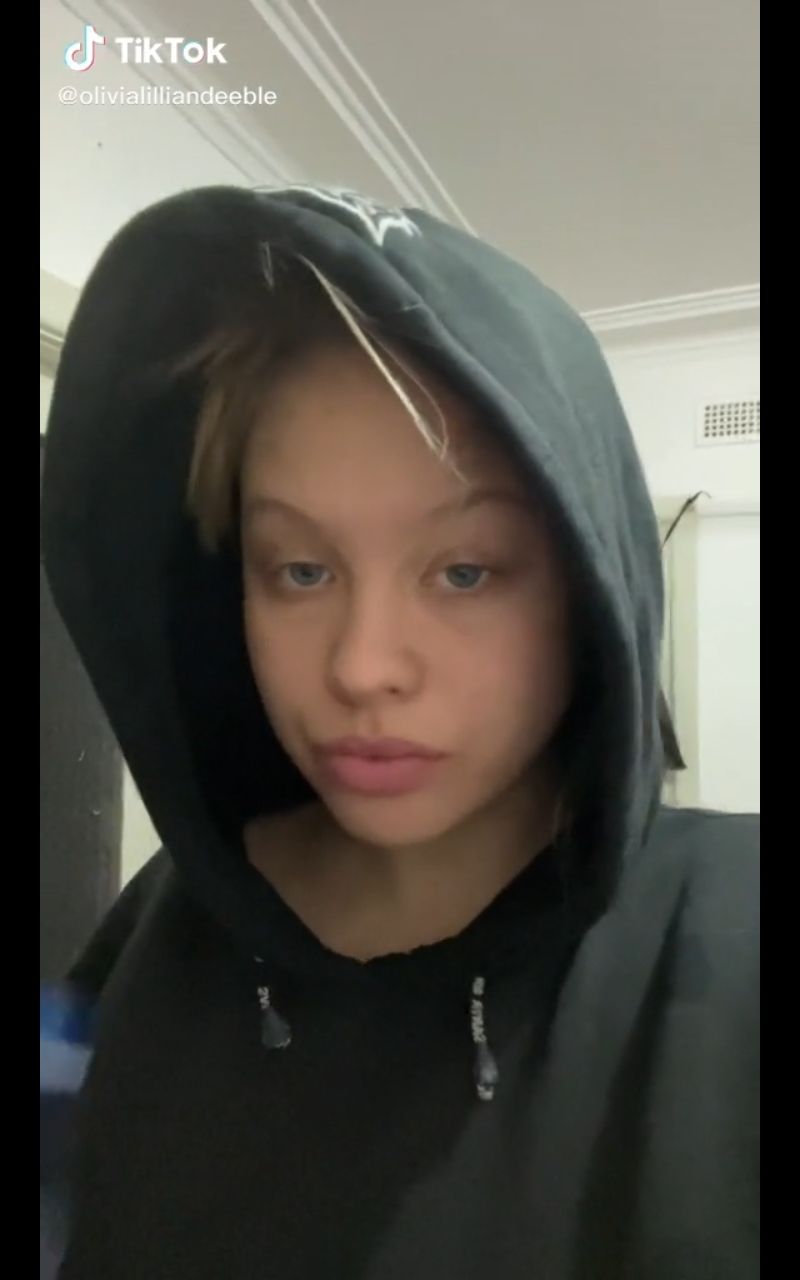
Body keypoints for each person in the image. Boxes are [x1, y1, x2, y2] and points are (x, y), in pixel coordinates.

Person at [41, 183, 759, 1279]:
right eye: (300, 569)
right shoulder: (165, 917)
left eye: (464, 571)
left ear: (587, 587)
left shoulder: (731, 928)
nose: (360, 665)